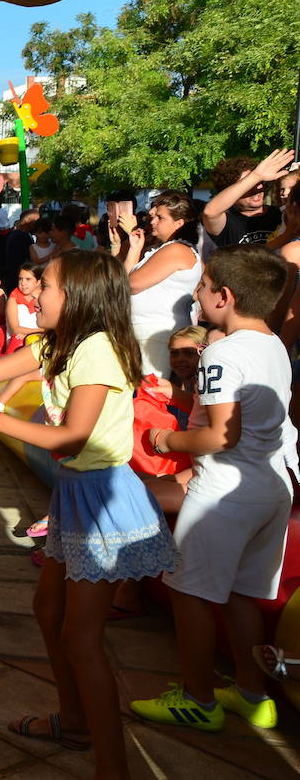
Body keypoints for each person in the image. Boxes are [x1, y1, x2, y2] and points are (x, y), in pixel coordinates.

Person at [0, 250, 178, 779]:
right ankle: (74, 721)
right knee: (48, 611)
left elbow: (72, 435)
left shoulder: (98, 351)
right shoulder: (60, 344)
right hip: (76, 495)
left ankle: (113, 766)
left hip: (104, 501)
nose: (32, 295)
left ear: (81, 296)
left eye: (45, 286)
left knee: (81, 638)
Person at [132, 245, 293, 732]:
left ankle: (198, 699)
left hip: (225, 490)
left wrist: (165, 437)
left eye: (200, 289)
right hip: (272, 488)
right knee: (243, 596)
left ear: (223, 296)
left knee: (191, 595)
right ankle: (252, 693)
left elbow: (222, 435)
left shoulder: (222, 352)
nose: (194, 297)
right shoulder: (276, 345)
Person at [124, 190, 202, 379]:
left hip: (158, 332)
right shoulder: (164, 248)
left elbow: (131, 284)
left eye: (160, 217)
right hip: (146, 331)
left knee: (151, 393)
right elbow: (124, 282)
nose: (153, 221)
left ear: (179, 223)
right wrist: (134, 249)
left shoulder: (177, 249)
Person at [202, 149, 292, 247]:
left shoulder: (282, 213)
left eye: (259, 181)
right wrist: (256, 176)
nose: (258, 187)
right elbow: (210, 212)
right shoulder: (228, 220)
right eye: (249, 185)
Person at [4, 264, 43, 354]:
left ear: (38, 282)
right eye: (20, 279)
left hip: (39, 340)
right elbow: (15, 329)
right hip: (16, 343)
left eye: (28, 279)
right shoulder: (13, 299)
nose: (22, 283)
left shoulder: (44, 298)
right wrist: (40, 332)